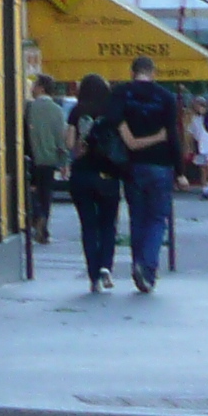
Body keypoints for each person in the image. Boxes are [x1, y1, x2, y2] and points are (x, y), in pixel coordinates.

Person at [114, 56, 182, 292]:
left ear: (132, 72)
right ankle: (147, 267)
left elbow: (116, 125)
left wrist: (132, 143)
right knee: (157, 219)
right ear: (153, 72)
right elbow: (172, 134)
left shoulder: (121, 93)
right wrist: (181, 171)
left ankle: (138, 264)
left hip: (131, 166)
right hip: (161, 164)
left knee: (138, 218)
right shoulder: (165, 97)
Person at [65, 74, 126, 291]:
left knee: (88, 226)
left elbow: (69, 143)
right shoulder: (112, 112)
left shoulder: (76, 111)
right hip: (108, 175)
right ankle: (105, 267)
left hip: (82, 176)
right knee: (108, 225)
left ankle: (93, 276)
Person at [23, 77, 71, 242]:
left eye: (35, 85)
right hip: (50, 159)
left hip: (31, 157)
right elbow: (61, 138)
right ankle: (44, 229)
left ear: (42, 88)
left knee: (30, 191)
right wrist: (64, 162)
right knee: (46, 194)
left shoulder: (28, 107)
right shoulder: (57, 110)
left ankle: (37, 216)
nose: (32, 89)